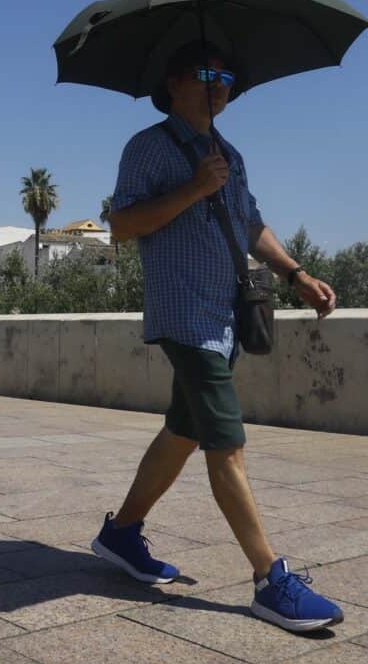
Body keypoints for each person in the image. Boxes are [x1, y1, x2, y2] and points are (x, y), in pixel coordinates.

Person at [92, 42, 345, 632]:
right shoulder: (149, 147)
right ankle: (269, 580)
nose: (220, 85)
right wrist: (193, 189)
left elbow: (250, 223)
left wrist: (297, 274)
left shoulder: (228, 153)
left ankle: (121, 533)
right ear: (173, 83)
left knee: (183, 430)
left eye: (227, 76)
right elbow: (122, 226)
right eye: (206, 75)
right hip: (185, 316)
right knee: (225, 443)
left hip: (228, 312)